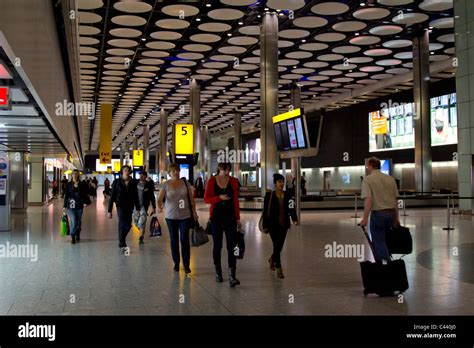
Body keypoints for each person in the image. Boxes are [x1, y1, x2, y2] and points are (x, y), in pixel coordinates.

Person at [204, 162, 241, 287]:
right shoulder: (211, 181)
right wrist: (219, 198)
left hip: (230, 217)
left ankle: (232, 276)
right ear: (219, 168)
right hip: (216, 218)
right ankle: (218, 272)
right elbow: (206, 199)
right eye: (225, 170)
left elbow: (235, 200)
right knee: (217, 245)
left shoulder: (234, 181)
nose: (227, 172)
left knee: (232, 246)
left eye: (228, 170)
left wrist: (238, 218)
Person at [157, 164, 198, 274]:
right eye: (173, 171)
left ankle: (186, 264)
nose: (176, 172)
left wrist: (194, 211)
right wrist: (159, 206)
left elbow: (191, 198)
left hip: (185, 216)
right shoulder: (166, 184)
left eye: (177, 170)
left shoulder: (185, 183)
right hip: (171, 217)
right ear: (169, 173)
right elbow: (159, 198)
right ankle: (176, 262)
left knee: (184, 239)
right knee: (174, 240)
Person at [359, 157, 400, 263]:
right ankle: (384, 262)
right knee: (386, 240)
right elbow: (395, 200)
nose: (367, 168)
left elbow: (368, 199)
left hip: (378, 215)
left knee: (378, 241)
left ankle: (387, 266)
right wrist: (397, 218)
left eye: (368, 166)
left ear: (371, 166)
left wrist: (365, 219)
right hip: (391, 214)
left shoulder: (367, 179)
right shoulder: (390, 179)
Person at [262, 173, 298, 279]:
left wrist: (294, 219)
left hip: (284, 224)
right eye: (279, 182)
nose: (281, 184)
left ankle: (272, 259)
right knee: (276, 245)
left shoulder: (288, 195)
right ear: (275, 184)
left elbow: (291, 207)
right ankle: (279, 268)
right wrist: (265, 225)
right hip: (273, 225)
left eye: (282, 181)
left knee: (279, 246)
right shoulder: (269, 195)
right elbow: (265, 212)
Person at [108, 165, 140, 251]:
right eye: (125, 170)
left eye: (128, 170)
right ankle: (122, 242)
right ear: (122, 172)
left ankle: (121, 239)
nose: (127, 172)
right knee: (122, 223)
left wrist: (137, 207)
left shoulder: (133, 182)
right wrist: (109, 210)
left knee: (128, 225)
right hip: (120, 205)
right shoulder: (117, 182)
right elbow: (112, 196)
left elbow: (135, 195)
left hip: (130, 206)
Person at [63, 169, 90, 244]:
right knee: (74, 221)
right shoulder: (69, 185)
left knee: (78, 222)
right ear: (71, 175)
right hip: (70, 206)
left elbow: (85, 194)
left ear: (78, 175)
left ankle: (77, 233)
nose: (75, 175)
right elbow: (66, 196)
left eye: (76, 174)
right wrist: (64, 206)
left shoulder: (81, 184)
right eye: (73, 174)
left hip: (79, 207)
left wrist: (85, 202)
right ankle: (72, 236)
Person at [136, 171, 156, 244]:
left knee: (141, 221)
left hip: (144, 206)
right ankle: (141, 233)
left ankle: (141, 235)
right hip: (136, 206)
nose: (141, 176)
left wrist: (154, 206)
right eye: (140, 175)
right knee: (136, 221)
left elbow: (152, 196)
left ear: (145, 176)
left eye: (142, 175)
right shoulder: (135, 183)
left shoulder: (148, 185)